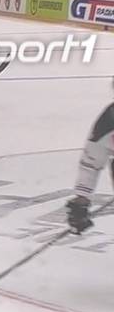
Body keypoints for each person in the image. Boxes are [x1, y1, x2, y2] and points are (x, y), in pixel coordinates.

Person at [65, 88, 114, 234]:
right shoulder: (107, 123)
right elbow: (91, 163)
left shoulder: (107, 122)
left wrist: (81, 201)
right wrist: (81, 201)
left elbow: (90, 164)